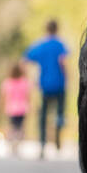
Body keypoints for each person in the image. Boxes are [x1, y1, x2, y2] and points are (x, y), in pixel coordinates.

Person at [24, 19, 69, 158]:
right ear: (57, 29)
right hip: (60, 84)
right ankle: (57, 141)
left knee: (43, 116)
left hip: (44, 85)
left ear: (46, 29)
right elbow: (63, 62)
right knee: (59, 114)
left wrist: (31, 79)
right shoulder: (60, 44)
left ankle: (43, 144)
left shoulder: (40, 45)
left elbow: (25, 59)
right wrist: (67, 78)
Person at [0, 62, 31, 156]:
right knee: (20, 127)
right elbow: (28, 96)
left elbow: (2, 96)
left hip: (11, 108)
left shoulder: (7, 82)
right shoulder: (25, 82)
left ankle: (12, 143)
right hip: (22, 108)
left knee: (12, 127)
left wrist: (1, 107)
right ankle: (18, 143)